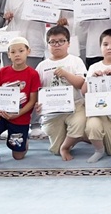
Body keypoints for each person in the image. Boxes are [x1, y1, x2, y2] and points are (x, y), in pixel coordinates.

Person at [0, 37, 40, 167]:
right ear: (8, 55)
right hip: (1, 115)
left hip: (20, 117)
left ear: (28, 51)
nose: (17, 54)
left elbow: (32, 101)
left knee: (18, 156)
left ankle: (24, 140)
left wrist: (17, 114)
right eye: (13, 52)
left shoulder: (33, 74)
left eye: (21, 51)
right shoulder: (3, 71)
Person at [75, 29, 111, 162]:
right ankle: (98, 150)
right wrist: (92, 79)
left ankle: (90, 138)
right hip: (97, 112)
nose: (109, 48)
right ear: (100, 47)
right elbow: (83, 91)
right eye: (105, 44)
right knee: (93, 125)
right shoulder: (94, 67)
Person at [34, 25, 88, 157]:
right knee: (56, 151)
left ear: (68, 43)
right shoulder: (42, 65)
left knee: (78, 124)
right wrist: (37, 104)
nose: (57, 45)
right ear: (47, 45)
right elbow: (36, 90)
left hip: (75, 105)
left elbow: (81, 84)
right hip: (52, 110)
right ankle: (73, 140)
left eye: (61, 41)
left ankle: (69, 143)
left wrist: (65, 74)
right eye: (52, 42)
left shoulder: (76, 61)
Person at [1, 0, 51, 69]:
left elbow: (52, 20)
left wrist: (46, 4)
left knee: (31, 76)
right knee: (10, 77)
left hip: (34, 45)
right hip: (12, 44)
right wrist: (7, 17)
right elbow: (4, 22)